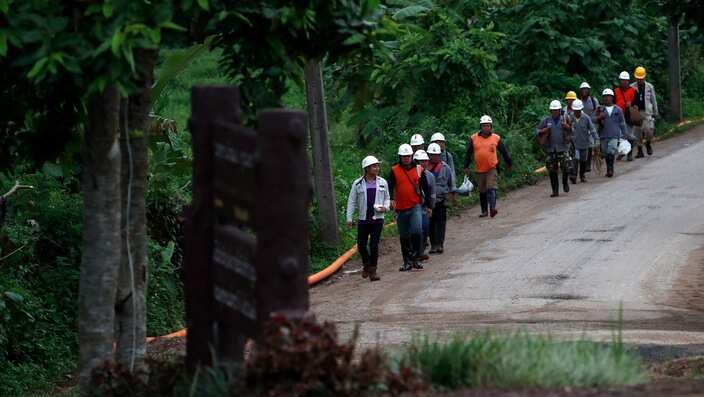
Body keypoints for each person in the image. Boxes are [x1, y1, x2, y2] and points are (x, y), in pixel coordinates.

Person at [388, 144, 433, 272]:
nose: (406, 158)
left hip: (415, 205)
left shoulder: (419, 169)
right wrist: (391, 199)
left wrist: (429, 205)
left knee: (417, 230)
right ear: (400, 157)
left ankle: (416, 259)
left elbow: (426, 187)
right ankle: (407, 261)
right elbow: (389, 186)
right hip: (401, 207)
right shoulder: (394, 170)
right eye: (404, 156)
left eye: (408, 156)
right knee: (404, 235)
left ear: (411, 156)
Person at [346, 155, 390, 282]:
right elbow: (352, 201)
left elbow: (387, 198)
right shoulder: (358, 183)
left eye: (377, 166)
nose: (377, 168)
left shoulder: (382, 182)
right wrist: (349, 218)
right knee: (361, 245)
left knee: (374, 244)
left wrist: (385, 207)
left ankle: (373, 271)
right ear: (367, 168)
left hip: (378, 218)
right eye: (374, 166)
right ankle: (366, 264)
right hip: (363, 219)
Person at [464, 115, 513, 216]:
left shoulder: (496, 138)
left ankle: (492, 208)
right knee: (482, 191)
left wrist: (509, 163)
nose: (486, 128)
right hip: (479, 169)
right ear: (481, 127)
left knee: (491, 188)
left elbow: (504, 151)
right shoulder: (473, 138)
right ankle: (484, 211)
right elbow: (468, 153)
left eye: (488, 126)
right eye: (484, 126)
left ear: (491, 126)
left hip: (492, 168)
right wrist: (466, 166)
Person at [536, 100, 573, 197]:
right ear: (550, 111)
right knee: (552, 170)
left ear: (560, 110)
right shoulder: (546, 120)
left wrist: (567, 127)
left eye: (556, 110)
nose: (555, 112)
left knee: (566, 167)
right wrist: (543, 130)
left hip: (563, 147)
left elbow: (573, 129)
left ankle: (565, 182)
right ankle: (555, 190)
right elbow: (537, 131)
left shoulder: (565, 118)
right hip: (551, 149)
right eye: (553, 110)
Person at [427, 143, 456, 253]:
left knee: (441, 222)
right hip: (429, 201)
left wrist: (452, 193)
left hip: (441, 199)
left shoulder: (445, 168)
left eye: (437, 155)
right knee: (431, 223)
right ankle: (433, 244)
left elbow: (450, 181)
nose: (435, 157)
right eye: (432, 155)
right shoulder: (424, 168)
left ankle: (440, 244)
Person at [596, 88, 627, 178]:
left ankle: (610, 169)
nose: (606, 98)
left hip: (614, 135)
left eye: (608, 96)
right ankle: (608, 168)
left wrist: (624, 133)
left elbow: (622, 122)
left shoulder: (618, 110)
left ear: (612, 98)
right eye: (605, 97)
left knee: (611, 151)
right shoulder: (599, 109)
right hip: (603, 135)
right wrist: (599, 117)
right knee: (605, 152)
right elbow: (592, 119)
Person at [631, 66, 659, 157]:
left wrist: (656, 111)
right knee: (637, 132)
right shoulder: (632, 87)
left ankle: (648, 143)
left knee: (649, 130)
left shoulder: (650, 87)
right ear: (635, 77)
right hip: (636, 112)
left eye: (641, 78)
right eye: (638, 78)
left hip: (647, 112)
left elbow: (653, 100)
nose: (640, 80)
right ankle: (640, 150)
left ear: (644, 77)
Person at [568, 99, 598, 183]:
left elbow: (592, 129)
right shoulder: (570, 118)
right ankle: (574, 175)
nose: (577, 112)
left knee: (583, 160)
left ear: (581, 109)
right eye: (575, 110)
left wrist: (596, 139)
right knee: (575, 158)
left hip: (584, 142)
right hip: (574, 143)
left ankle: (582, 175)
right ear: (573, 110)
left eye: (578, 110)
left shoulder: (586, 118)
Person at [413, 149, 435, 261]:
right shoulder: (412, 174)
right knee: (416, 229)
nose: (424, 163)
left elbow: (431, 192)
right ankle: (415, 252)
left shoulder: (430, 176)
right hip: (413, 205)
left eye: (425, 161)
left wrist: (430, 206)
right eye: (421, 161)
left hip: (424, 205)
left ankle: (420, 251)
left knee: (425, 227)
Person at [614, 71, 637, 161]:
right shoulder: (615, 91)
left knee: (629, 135)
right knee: (619, 136)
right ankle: (622, 152)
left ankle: (630, 154)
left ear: (628, 81)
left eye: (626, 80)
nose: (624, 82)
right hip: (617, 116)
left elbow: (637, 103)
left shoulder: (633, 91)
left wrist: (631, 104)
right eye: (622, 80)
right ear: (620, 81)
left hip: (628, 116)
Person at [579, 82, 600, 173]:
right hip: (582, 126)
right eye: (583, 89)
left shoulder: (593, 101)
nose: (584, 91)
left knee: (590, 144)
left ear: (589, 90)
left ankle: (588, 164)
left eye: (586, 89)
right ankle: (582, 162)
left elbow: (598, 112)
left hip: (592, 125)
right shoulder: (578, 102)